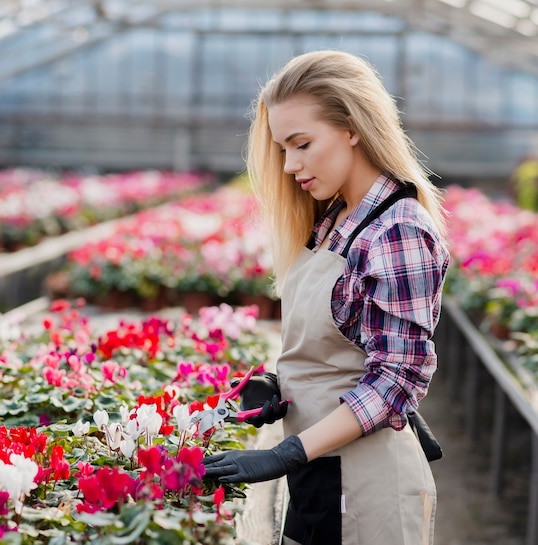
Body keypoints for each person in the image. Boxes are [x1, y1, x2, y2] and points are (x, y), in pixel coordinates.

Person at [202, 49, 450, 545]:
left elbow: (397, 380)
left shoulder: (397, 230)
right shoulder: (334, 220)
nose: (291, 165)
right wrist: (284, 389)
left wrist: (284, 453)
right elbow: (340, 351)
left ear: (352, 127)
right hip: (318, 476)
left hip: (367, 484)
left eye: (302, 144)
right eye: (282, 150)